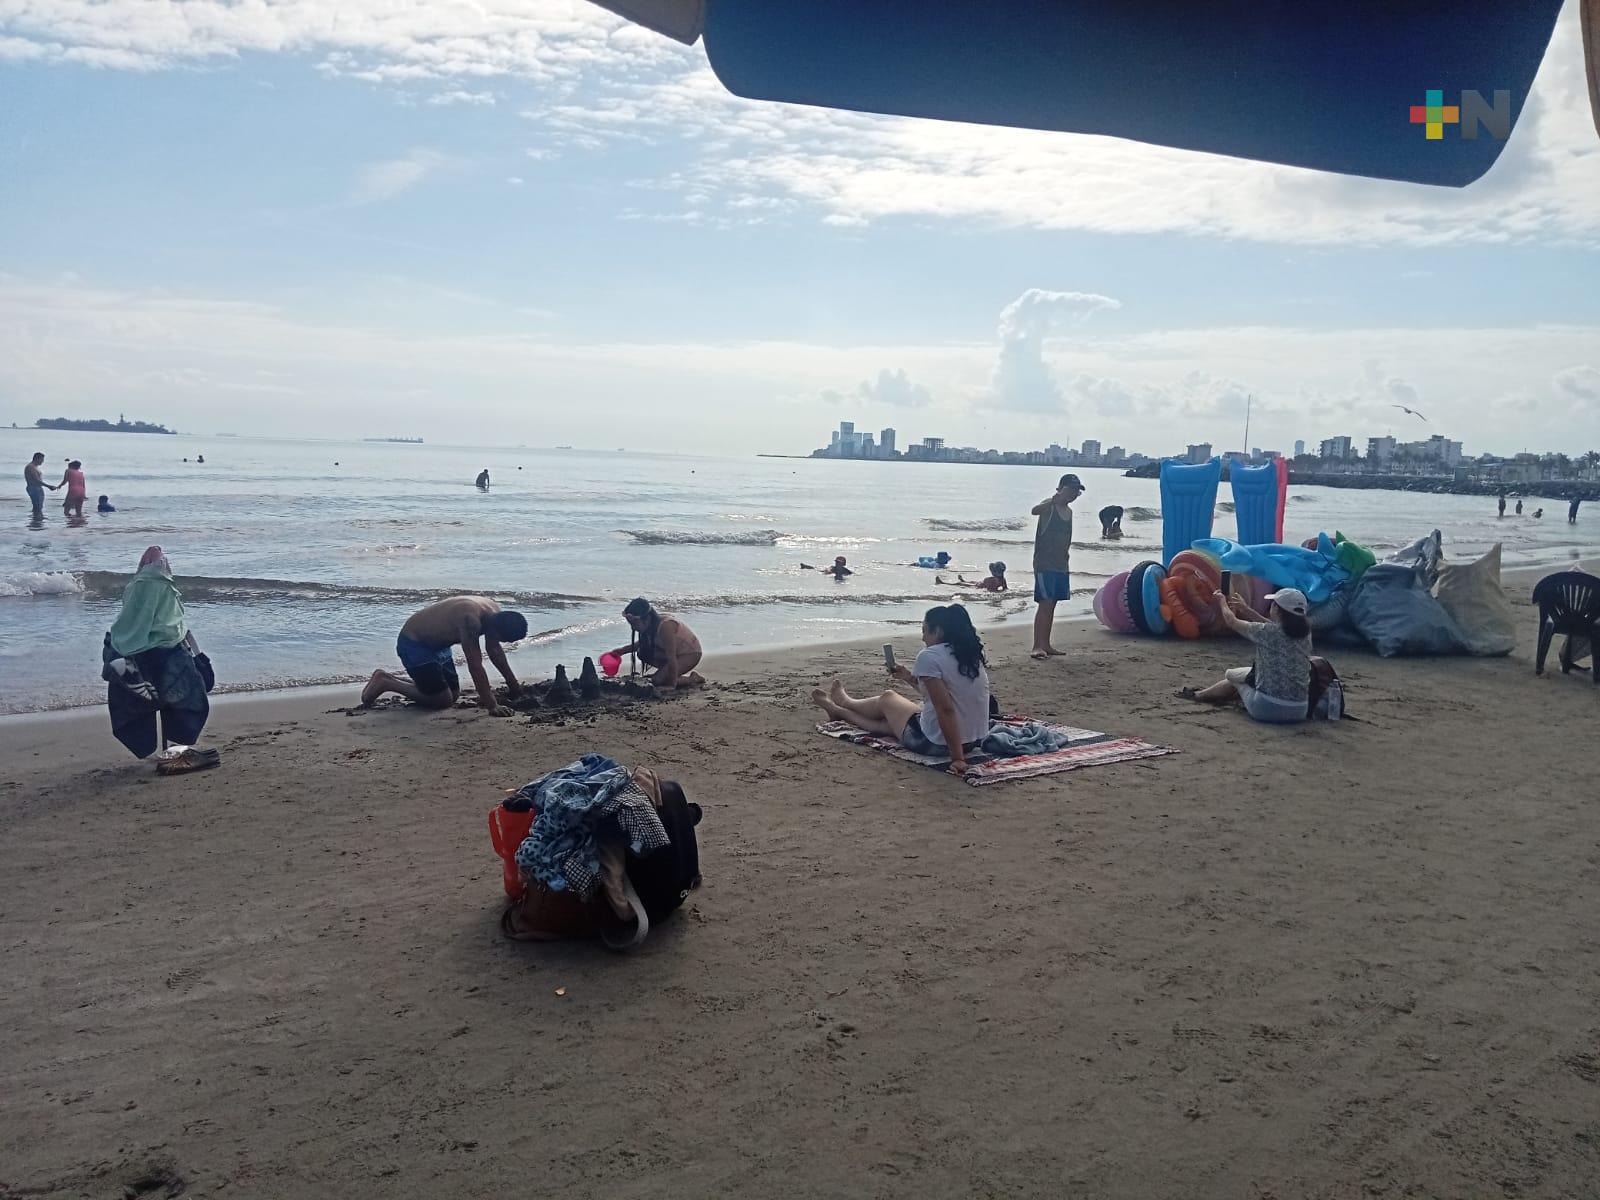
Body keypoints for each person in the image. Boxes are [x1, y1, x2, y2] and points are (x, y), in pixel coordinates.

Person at [810, 604, 991, 776]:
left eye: (924, 631)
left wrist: (957, 758)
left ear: (937, 631)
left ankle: (845, 703)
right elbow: (944, 696)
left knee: (887, 698)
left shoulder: (930, 656)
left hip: (938, 745)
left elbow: (945, 708)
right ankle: (838, 711)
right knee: (889, 725)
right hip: (973, 741)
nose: (923, 638)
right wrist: (908, 677)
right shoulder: (969, 654)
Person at [103, 546, 214, 759]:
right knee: (184, 705)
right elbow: (174, 624)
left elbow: (129, 621)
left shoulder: (137, 587)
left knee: (137, 707)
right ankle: (174, 753)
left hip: (134, 657)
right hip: (170, 653)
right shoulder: (163, 585)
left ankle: (162, 753)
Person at [360, 596, 527, 715]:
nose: (498, 642)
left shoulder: (495, 613)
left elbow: (495, 652)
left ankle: (396, 680)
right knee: (442, 700)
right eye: (502, 639)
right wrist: (492, 705)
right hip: (414, 644)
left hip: (440, 647)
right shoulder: (470, 621)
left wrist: (514, 686)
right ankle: (386, 682)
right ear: (496, 630)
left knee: (453, 694)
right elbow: (475, 665)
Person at [1181, 588, 1312, 724]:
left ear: (1278, 610)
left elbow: (1231, 621)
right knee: (1246, 674)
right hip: (1300, 710)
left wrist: (1222, 601)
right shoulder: (1306, 634)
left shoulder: (1268, 632)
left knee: (1232, 676)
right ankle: (1206, 695)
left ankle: (1199, 695)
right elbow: (1270, 627)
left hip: (1266, 708)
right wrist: (1246, 610)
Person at [1031, 473, 1084, 659]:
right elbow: (1034, 510)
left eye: (1077, 491)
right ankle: (1037, 646)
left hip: (1061, 564)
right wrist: (1053, 501)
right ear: (1061, 489)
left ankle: (1046, 644)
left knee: (1052, 604)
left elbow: (1067, 538)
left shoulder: (1069, 512)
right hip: (1044, 564)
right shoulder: (1050, 506)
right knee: (1044, 603)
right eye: (1071, 490)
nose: (1074, 494)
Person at [609, 598, 705, 690]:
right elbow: (641, 644)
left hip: (690, 654)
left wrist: (671, 685)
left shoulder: (665, 626)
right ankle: (664, 673)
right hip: (676, 654)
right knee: (642, 652)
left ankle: (692, 679)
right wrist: (621, 651)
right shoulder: (650, 626)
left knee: (658, 681)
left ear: (647, 619)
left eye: (634, 624)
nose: (633, 628)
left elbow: (671, 657)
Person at [936, 562, 1008, 592]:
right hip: (980, 584)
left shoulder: (990, 580)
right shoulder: (1002, 579)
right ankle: (964, 580)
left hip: (977, 586)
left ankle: (943, 583)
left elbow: (990, 591)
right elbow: (1005, 588)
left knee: (960, 584)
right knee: (973, 582)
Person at [24, 452, 56, 517]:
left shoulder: (34, 467)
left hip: (35, 488)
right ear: (37, 459)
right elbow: (36, 480)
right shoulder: (31, 467)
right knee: (38, 507)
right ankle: (37, 519)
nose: (42, 461)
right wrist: (48, 486)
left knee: (38, 506)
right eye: (41, 459)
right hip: (34, 488)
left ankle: (36, 518)